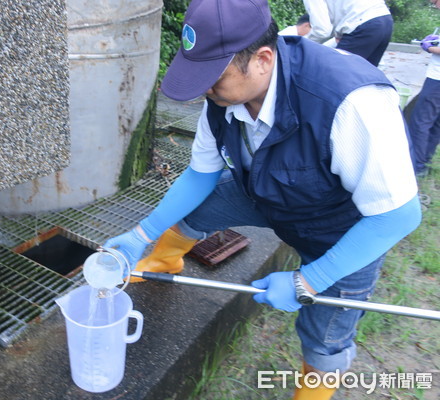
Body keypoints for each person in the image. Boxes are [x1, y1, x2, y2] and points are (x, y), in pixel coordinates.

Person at [103, 0, 422, 398]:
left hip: (343, 226)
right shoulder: (222, 99)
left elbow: (398, 216)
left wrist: (310, 280)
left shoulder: (350, 101)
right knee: (197, 211)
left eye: (213, 77)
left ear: (263, 60)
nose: (204, 88)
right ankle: (163, 259)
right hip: (265, 190)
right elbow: (200, 175)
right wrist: (140, 233)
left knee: (324, 337)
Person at [303, 0, 393, 66]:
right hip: (385, 18)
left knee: (334, 74)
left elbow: (322, 31)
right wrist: (339, 33)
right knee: (367, 77)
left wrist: (302, 45)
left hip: (362, 23)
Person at [408, 26, 440, 177]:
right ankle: (424, 160)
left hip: (437, 80)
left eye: (435, 1)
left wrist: (429, 48)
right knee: (436, 123)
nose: (434, 4)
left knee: (421, 121)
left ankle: (416, 165)